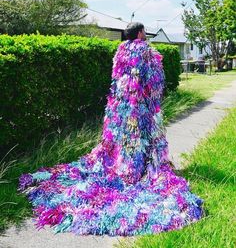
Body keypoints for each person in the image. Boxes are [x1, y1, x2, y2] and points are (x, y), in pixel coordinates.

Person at [18, 22, 204, 236]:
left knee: (125, 141)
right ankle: (140, 170)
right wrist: (151, 98)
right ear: (140, 33)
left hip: (121, 109)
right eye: (144, 31)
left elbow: (116, 81)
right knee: (143, 139)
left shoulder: (120, 51)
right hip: (141, 108)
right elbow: (156, 82)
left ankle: (125, 166)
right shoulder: (147, 51)